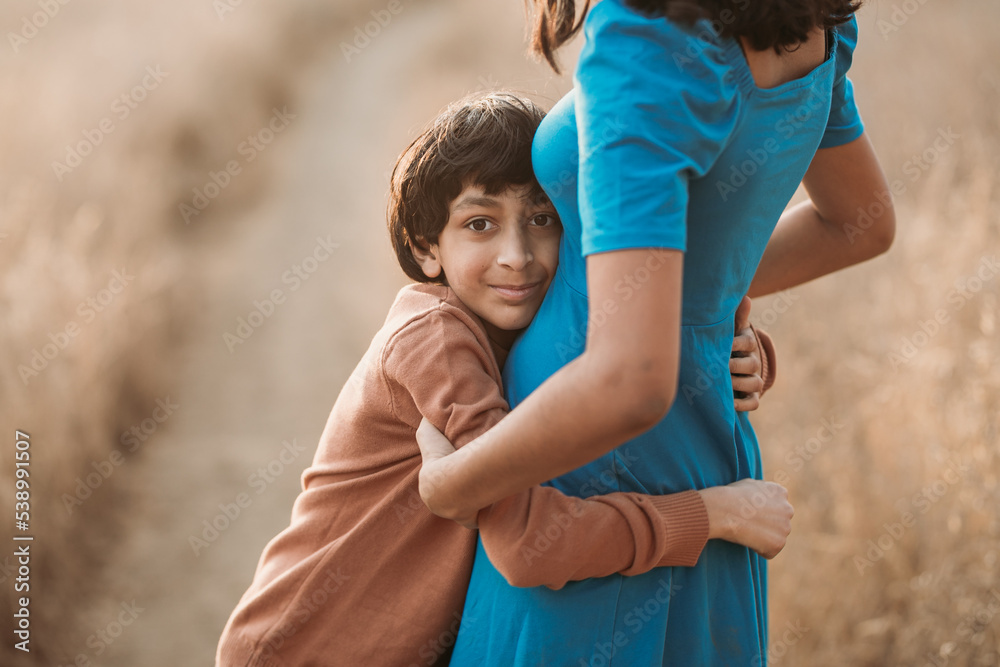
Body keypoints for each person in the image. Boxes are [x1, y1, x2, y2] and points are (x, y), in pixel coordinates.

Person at [215, 92, 790, 667]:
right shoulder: (435, 338)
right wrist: (714, 514)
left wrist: (740, 358)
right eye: (480, 224)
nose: (516, 255)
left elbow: (620, 352)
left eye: (542, 219)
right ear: (426, 247)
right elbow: (528, 542)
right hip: (299, 649)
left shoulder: (523, 326)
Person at [414, 1, 896, 665]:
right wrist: (692, 307)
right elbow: (859, 223)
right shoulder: (812, 23)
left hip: (588, 474)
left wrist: (451, 484)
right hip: (698, 444)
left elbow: (627, 380)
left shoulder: (644, 36)